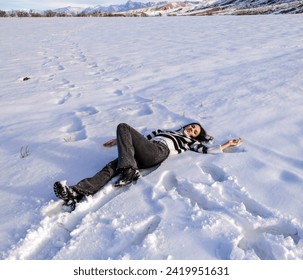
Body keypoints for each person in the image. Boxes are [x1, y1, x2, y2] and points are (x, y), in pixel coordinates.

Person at [54, 122, 242, 209]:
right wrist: (118, 140)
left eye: (195, 132)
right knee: (110, 167)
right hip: (142, 151)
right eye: (192, 126)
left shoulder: (186, 141)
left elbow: (206, 151)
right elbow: (140, 139)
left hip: (157, 152)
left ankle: (129, 170)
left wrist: (227, 144)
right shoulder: (163, 130)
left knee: (123, 126)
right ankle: (77, 192)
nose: (192, 130)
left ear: (194, 136)